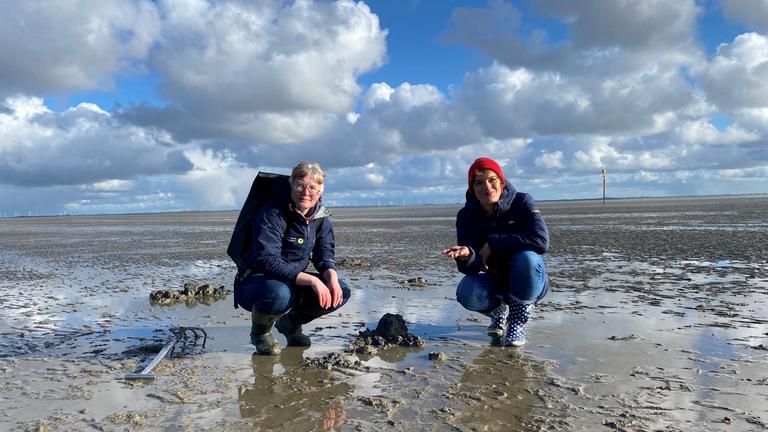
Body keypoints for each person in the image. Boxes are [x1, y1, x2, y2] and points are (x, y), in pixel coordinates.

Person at [235, 161, 351, 355]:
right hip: (257, 281)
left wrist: (331, 279)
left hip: (292, 280)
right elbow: (268, 261)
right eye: (300, 185)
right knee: (280, 294)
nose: (306, 192)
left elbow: (324, 255)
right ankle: (260, 333)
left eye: (312, 187)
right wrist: (313, 280)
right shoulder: (272, 213)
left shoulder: (320, 218)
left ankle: (290, 324)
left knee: (341, 291)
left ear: (320, 191)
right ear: (291, 184)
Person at [442, 157, 549, 347]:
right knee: (466, 291)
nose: (487, 187)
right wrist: (467, 256)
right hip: (496, 280)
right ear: (472, 189)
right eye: (479, 183)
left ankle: (516, 322)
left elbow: (540, 241)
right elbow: (471, 269)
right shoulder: (466, 216)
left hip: (528, 279)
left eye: (492, 180)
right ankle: (499, 312)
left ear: (501, 181)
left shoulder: (522, 202)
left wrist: (493, 243)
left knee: (528, 259)